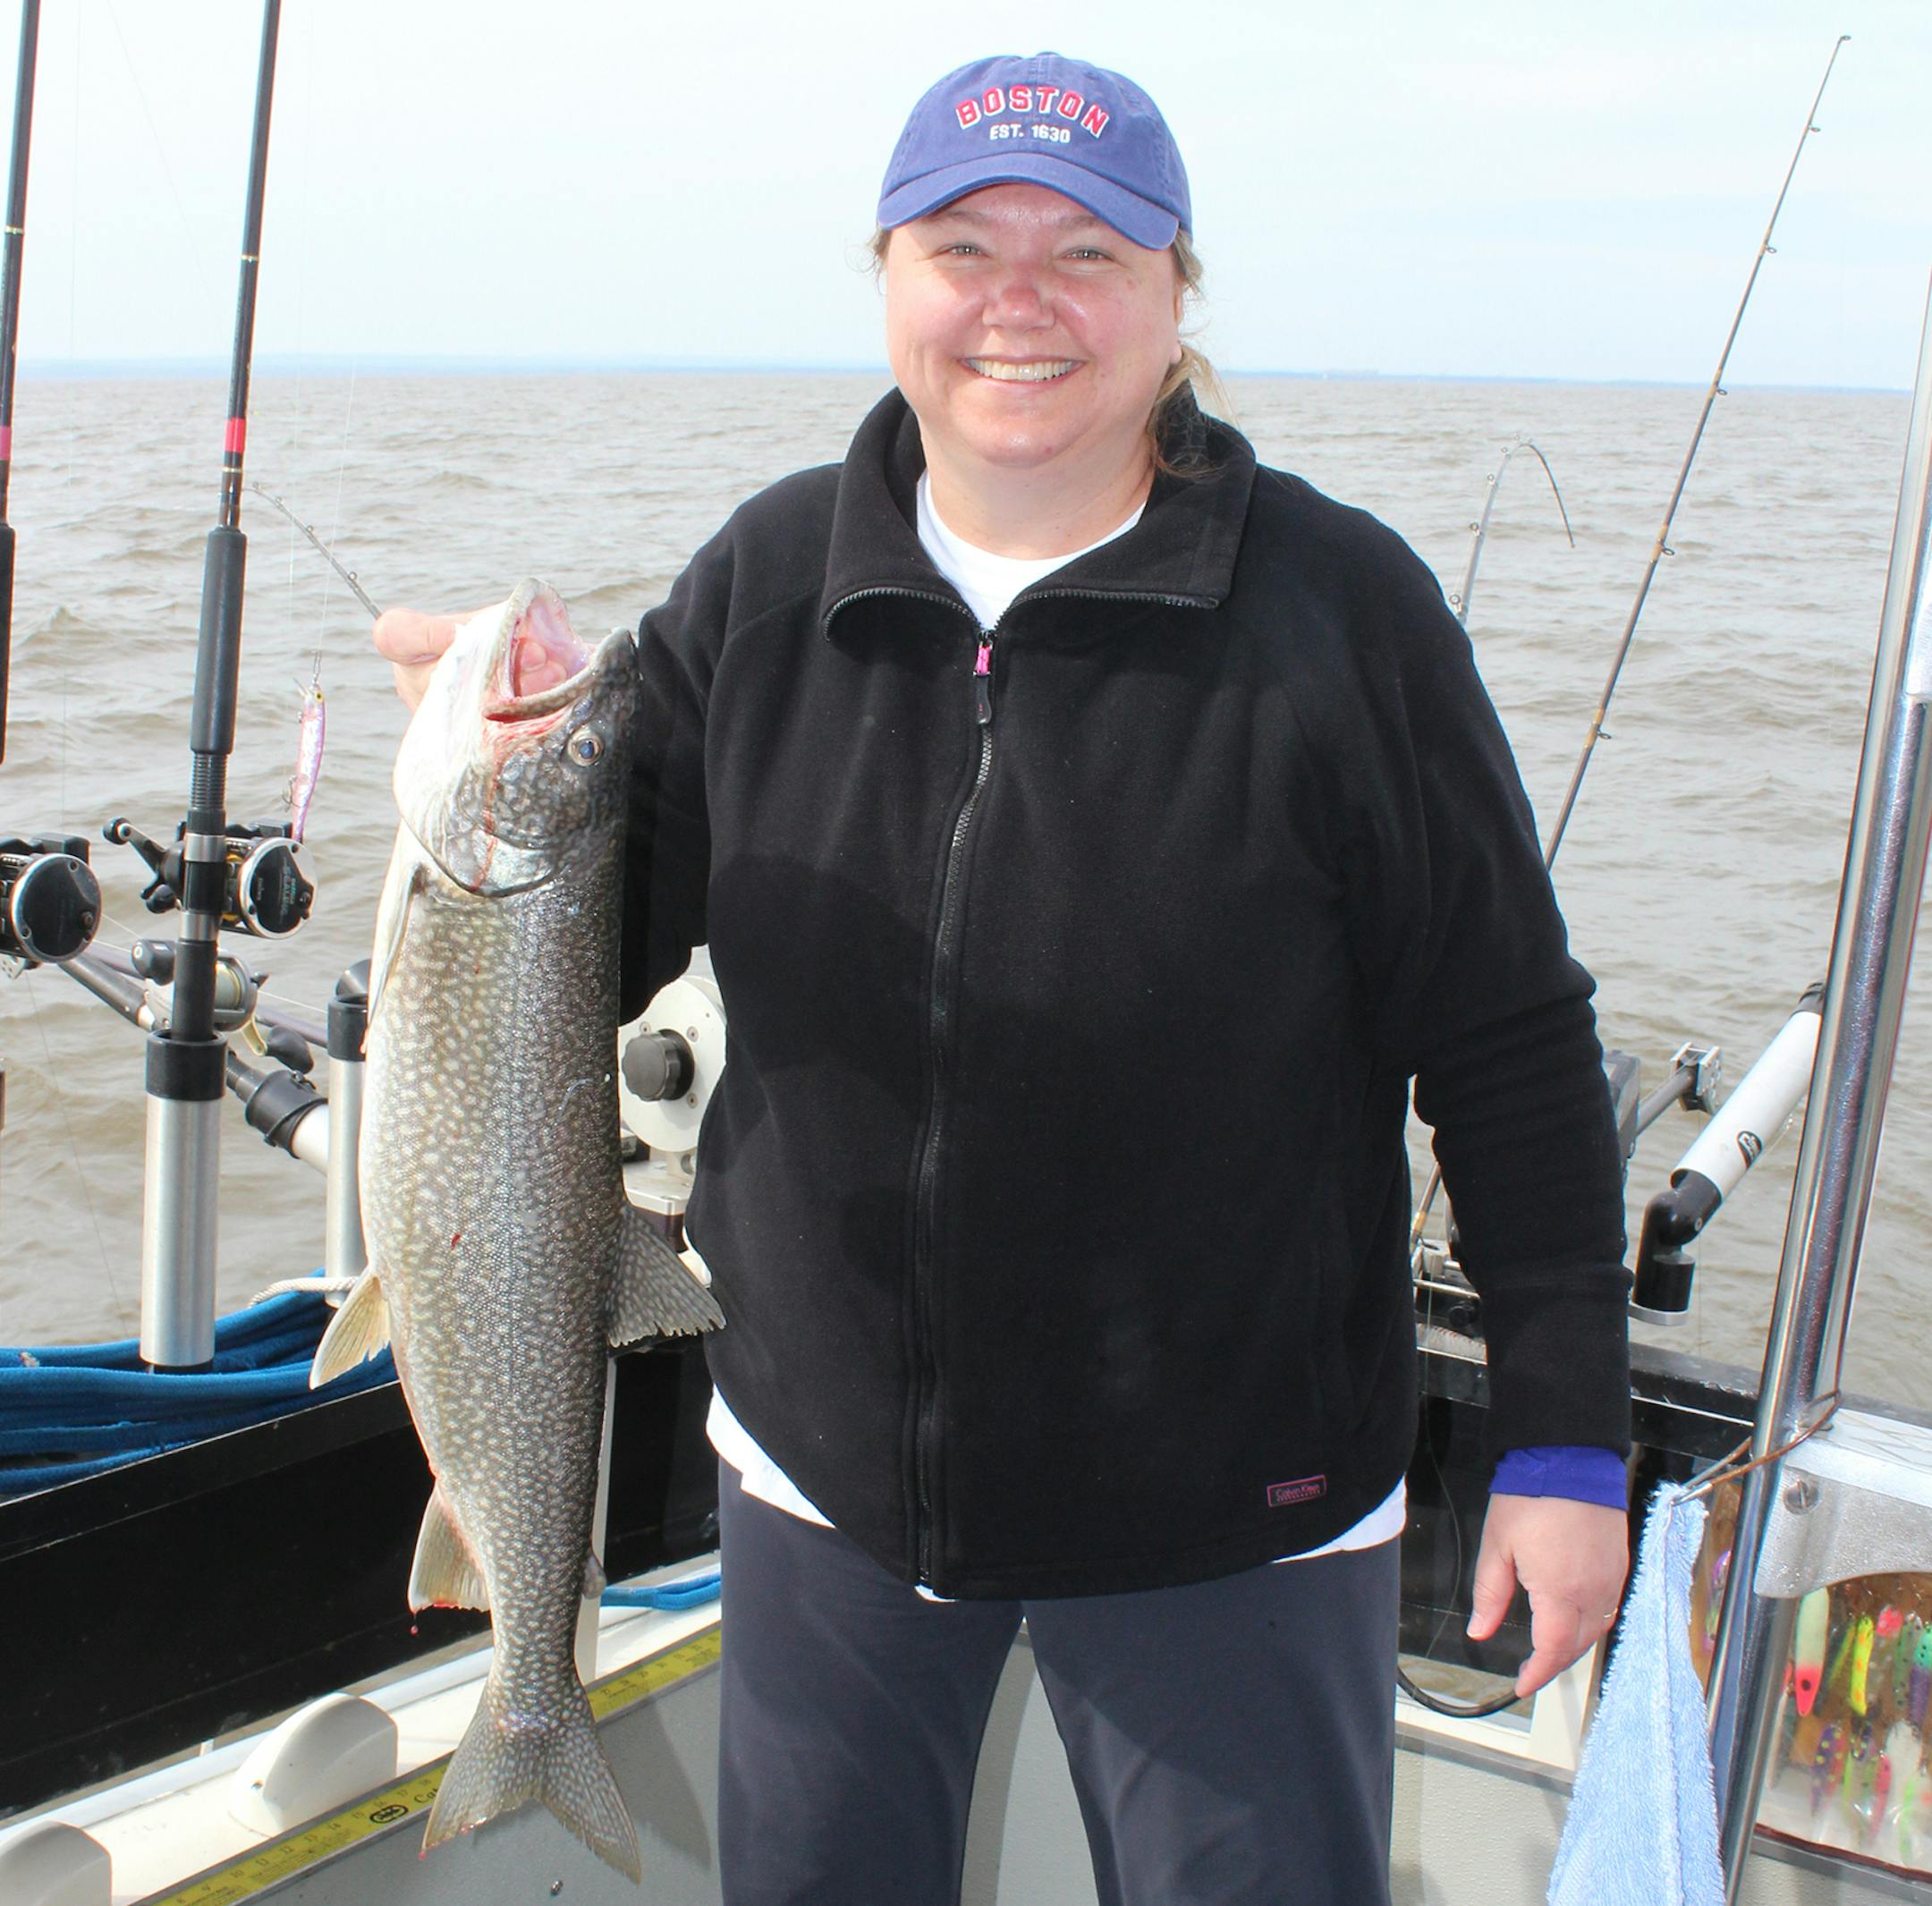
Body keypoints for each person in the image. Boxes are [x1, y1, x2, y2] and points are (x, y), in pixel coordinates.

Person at [377, 52, 1631, 1906]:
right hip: (825, 1493)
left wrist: (1568, 1439)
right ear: (887, 277)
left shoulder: (1345, 614)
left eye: (1089, 252)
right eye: (964, 245)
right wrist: (476, 792)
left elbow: (1514, 1047)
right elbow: (566, 941)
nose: (1019, 303)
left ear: (1174, 297)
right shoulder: (764, 581)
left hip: (1239, 1510)